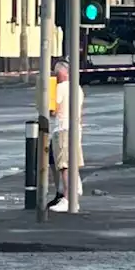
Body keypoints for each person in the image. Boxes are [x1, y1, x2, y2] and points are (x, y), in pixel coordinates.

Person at [50, 60, 83, 212]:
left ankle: (69, 199)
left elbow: (53, 109)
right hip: (75, 128)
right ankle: (74, 190)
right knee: (71, 161)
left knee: (64, 165)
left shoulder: (60, 87)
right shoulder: (77, 88)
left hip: (62, 128)